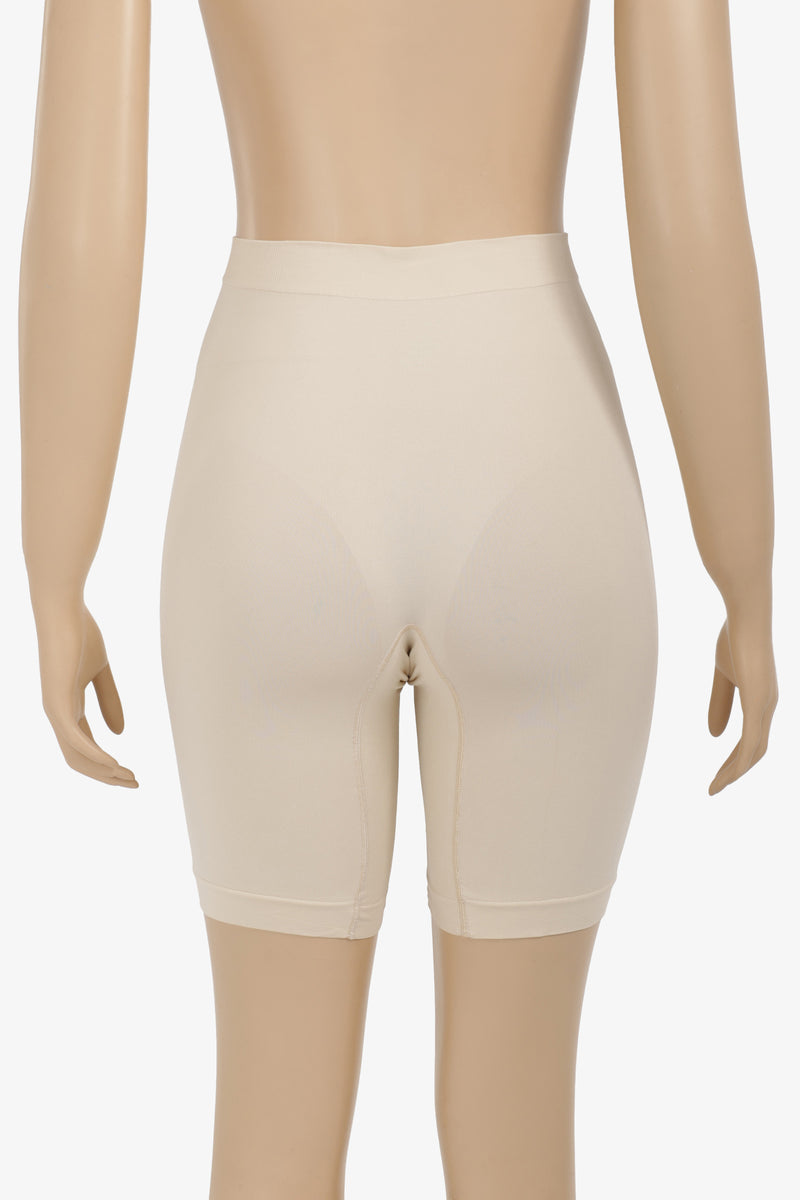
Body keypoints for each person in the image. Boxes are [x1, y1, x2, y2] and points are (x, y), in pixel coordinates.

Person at [18, 2, 778, 1197]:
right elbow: (690, 204)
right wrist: (743, 567)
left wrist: (55, 565)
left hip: (274, 439)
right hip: (538, 440)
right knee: (516, 1140)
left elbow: (81, 211)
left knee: (269, 1133)